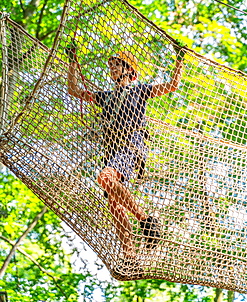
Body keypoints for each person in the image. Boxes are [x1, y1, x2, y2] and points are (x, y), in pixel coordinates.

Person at [67, 44, 184, 276]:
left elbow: (172, 86)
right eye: (110, 66)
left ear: (130, 71)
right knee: (114, 204)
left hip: (131, 144)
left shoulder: (140, 90)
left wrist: (179, 61)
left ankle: (146, 219)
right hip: (112, 150)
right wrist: (72, 62)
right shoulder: (105, 96)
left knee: (105, 178)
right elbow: (73, 89)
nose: (111, 69)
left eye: (116, 65)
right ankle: (129, 255)